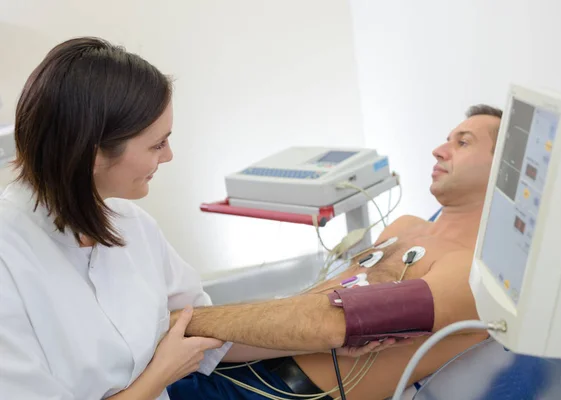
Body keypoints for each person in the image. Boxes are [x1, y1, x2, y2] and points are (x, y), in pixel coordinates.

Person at [1, 37, 362, 400]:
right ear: (93, 154)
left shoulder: (132, 225)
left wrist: (321, 341)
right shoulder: (10, 260)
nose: (169, 155)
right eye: (157, 144)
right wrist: (159, 375)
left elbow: (206, 331)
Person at [166, 104, 503, 400]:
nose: (439, 150)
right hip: (244, 357)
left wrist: (180, 323)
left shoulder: (470, 272)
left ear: (503, 167)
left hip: (278, 391)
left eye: (463, 142)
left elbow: (333, 323)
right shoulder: (405, 226)